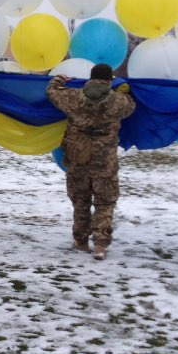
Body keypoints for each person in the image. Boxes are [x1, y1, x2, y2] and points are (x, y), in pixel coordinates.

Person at [46, 63, 135, 260]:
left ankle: (81, 241)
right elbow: (131, 107)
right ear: (109, 80)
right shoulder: (119, 101)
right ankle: (100, 245)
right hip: (105, 162)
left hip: (78, 158)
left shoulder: (73, 96)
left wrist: (59, 79)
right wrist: (124, 91)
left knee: (80, 201)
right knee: (104, 203)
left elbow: (51, 92)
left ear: (91, 78)